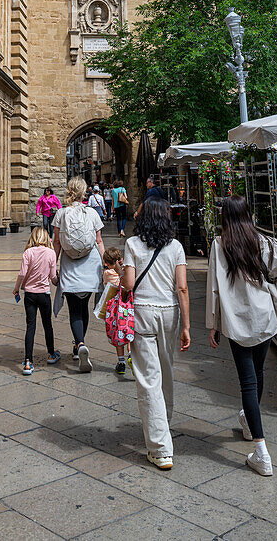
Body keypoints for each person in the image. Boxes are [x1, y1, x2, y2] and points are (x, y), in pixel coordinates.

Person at [206, 196, 277, 478]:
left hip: (237, 320)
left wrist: (213, 323)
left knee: (248, 382)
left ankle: (262, 452)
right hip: (263, 316)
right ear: (248, 215)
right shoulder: (262, 242)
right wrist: (275, 291)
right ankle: (249, 423)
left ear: (226, 217)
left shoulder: (219, 244)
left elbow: (213, 287)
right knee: (257, 374)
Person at [121, 197, 190, 470]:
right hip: (170, 312)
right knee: (166, 368)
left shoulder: (132, 245)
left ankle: (160, 448)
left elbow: (128, 284)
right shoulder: (176, 247)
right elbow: (182, 288)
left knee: (148, 377)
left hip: (142, 312)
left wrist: (119, 273)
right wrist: (186, 325)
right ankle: (164, 421)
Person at [53, 176, 105, 372]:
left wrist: (52, 268)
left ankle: (80, 344)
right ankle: (78, 346)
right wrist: (106, 264)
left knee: (74, 308)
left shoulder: (61, 213)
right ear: (84, 193)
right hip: (90, 266)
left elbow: (56, 243)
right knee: (84, 306)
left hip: (69, 266)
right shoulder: (92, 213)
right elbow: (99, 241)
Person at [13, 226, 61, 374]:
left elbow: (22, 274)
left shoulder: (28, 252)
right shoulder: (51, 253)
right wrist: (58, 279)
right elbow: (53, 278)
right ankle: (51, 354)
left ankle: (28, 362)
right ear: (46, 237)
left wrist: (17, 288)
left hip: (30, 295)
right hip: (44, 294)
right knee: (47, 325)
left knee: (30, 326)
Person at [101, 246, 130, 374]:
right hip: (126, 307)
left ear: (106, 263)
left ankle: (121, 361)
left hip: (114, 310)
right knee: (128, 331)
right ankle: (130, 354)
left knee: (118, 333)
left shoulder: (107, 274)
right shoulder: (126, 272)